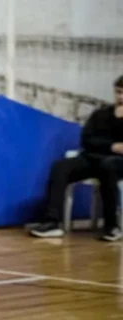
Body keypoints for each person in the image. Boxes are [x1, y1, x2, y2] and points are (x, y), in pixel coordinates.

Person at [30, 75, 123, 242]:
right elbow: (87, 140)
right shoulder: (100, 114)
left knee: (108, 166)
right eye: (118, 92)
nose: (120, 97)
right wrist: (111, 146)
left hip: (117, 163)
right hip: (94, 157)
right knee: (61, 166)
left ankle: (112, 226)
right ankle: (52, 222)